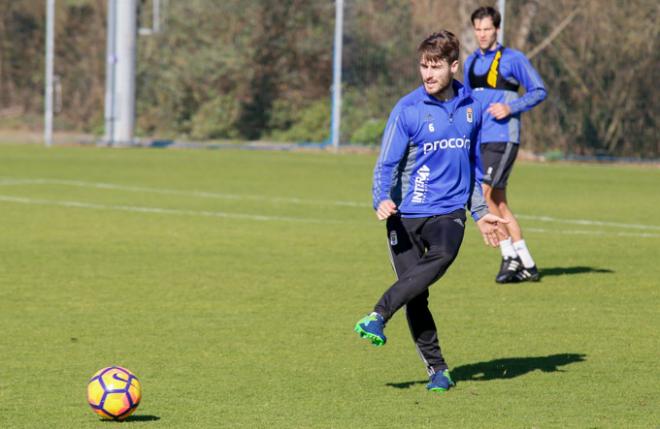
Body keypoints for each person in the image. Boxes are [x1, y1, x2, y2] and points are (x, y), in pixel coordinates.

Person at [354, 30, 506, 393]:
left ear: (454, 67)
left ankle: (378, 313)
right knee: (416, 294)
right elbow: (386, 163)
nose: (427, 74)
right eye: (423, 66)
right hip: (404, 215)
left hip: (448, 212)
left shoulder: (472, 107)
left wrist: (480, 211)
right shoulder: (407, 109)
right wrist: (381, 198)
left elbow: (471, 164)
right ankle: (438, 370)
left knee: (443, 256)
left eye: (435, 67)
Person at [464, 6, 547, 283]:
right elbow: (465, 100)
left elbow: (538, 89)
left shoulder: (513, 59)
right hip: (480, 139)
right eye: (478, 29)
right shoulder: (471, 62)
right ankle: (527, 263)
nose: (482, 34)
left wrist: (511, 108)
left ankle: (508, 255)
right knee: (498, 201)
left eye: (487, 29)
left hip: (502, 138)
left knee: (484, 196)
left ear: (496, 30)